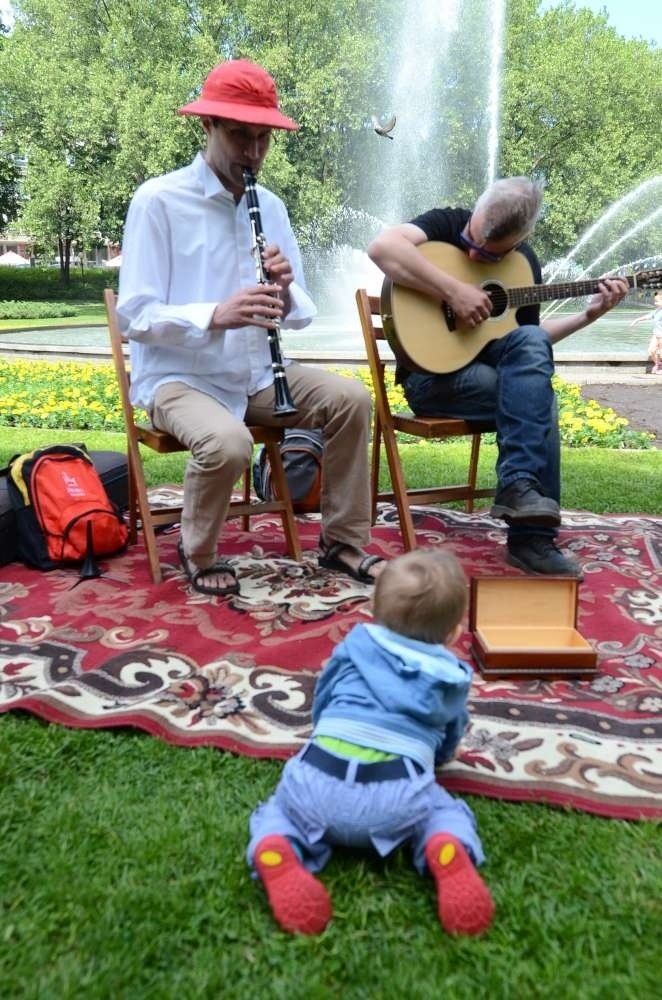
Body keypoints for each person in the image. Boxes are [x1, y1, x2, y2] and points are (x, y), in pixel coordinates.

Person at [117, 59, 384, 596]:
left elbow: (301, 310)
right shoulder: (158, 201)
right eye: (240, 135)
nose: (254, 152)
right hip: (179, 377)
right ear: (207, 126)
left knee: (352, 400)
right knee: (230, 443)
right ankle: (198, 551)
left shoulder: (272, 206)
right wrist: (216, 314)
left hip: (258, 374)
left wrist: (283, 290)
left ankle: (342, 544)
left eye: (264, 139)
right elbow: (134, 317)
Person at [367, 177, 630, 577]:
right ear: (475, 211)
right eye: (471, 241)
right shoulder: (443, 223)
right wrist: (453, 291)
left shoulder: (524, 264)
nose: (473, 254)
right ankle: (532, 539)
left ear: (520, 238)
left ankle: (520, 488)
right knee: (540, 400)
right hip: (431, 380)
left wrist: (587, 316)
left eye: (487, 255)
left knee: (529, 345)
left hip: (490, 379)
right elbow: (382, 248)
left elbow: (530, 342)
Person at [247, 549, 494, 937]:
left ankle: (275, 845)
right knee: (442, 813)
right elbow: (450, 733)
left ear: (373, 611)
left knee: (279, 810)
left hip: (317, 778)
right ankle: (445, 846)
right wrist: (445, 756)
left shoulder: (352, 648)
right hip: (397, 794)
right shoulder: (450, 676)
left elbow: (324, 698)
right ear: (453, 634)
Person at [630, 290, 662, 374]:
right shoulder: (657, 310)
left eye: (657, 301)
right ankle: (658, 364)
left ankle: (659, 367)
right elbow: (648, 316)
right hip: (656, 335)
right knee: (651, 351)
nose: (655, 303)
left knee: (660, 352)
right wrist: (636, 320)